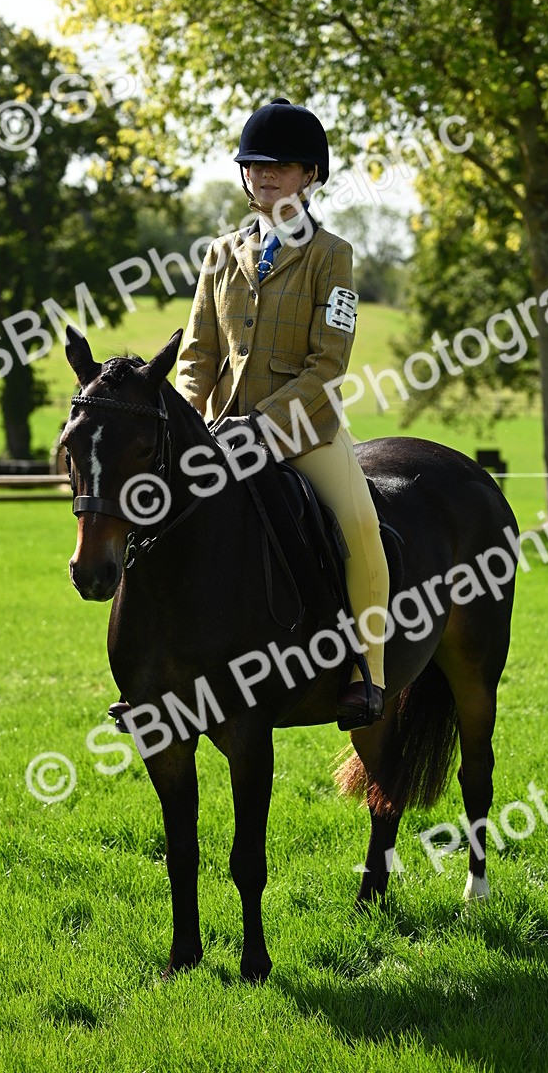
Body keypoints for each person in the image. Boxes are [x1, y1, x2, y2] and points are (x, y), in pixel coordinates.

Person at [175, 97, 391, 729]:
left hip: (302, 432)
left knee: (361, 530)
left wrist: (259, 424)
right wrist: (193, 420)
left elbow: (328, 366)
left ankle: (368, 675)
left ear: (310, 175)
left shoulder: (333, 256)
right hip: (220, 433)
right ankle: (159, 667)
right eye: (255, 165)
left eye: (282, 165)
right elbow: (198, 354)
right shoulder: (219, 254)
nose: (265, 176)